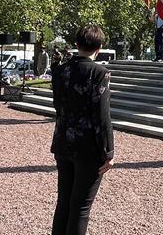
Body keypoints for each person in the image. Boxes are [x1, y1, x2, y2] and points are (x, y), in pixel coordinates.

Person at [51, 25, 114, 235]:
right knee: (80, 208)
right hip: (87, 146)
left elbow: (57, 104)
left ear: (77, 44)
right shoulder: (99, 73)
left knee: (64, 203)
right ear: (99, 47)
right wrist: (108, 151)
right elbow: (102, 115)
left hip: (63, 140)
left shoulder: (61, 70)